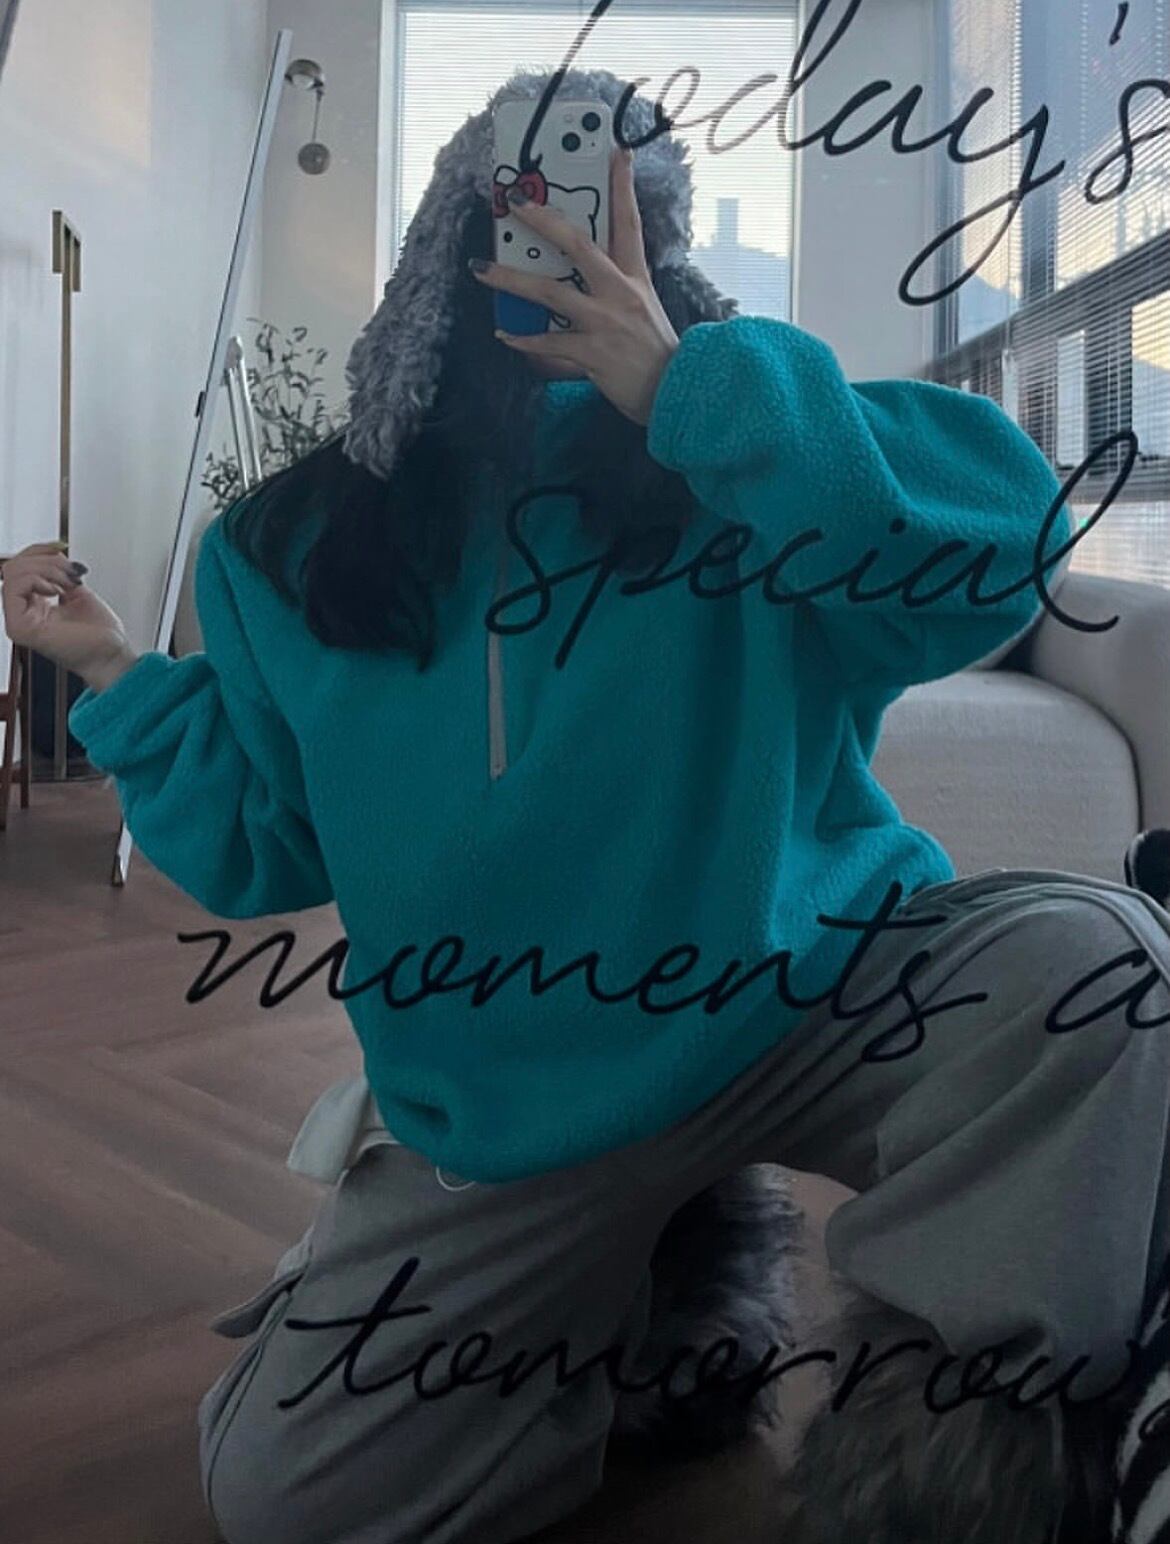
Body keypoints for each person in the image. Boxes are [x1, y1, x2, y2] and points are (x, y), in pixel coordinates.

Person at [5, 65, 1170, 1544]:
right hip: (511, 1113)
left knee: (1101, 968)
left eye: (615, 213)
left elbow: (1004, 547)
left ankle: (965, 1453)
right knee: (289, 1496)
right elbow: (258, 848)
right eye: (508, 213)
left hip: (807, 1003)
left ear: (664, 248)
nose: (553, 241)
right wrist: (113, 669)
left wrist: (692, 393)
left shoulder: (745, 454)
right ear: (439, 250)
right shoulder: (283, 546)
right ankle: (605, 1320)